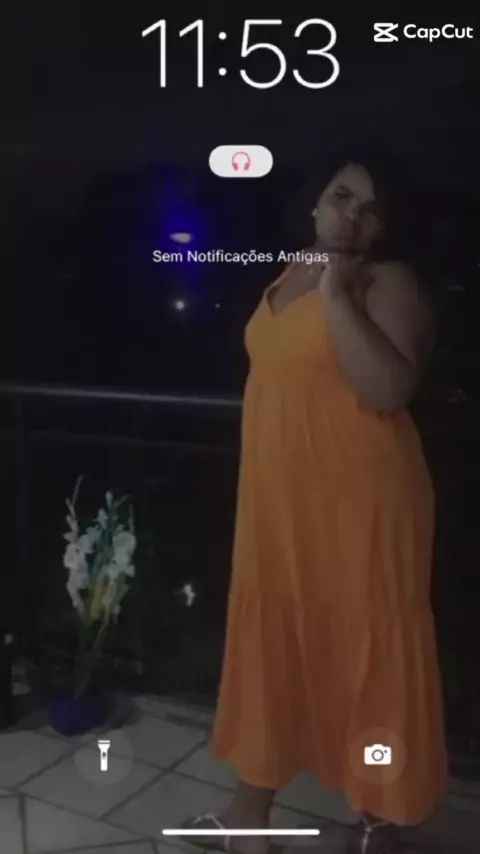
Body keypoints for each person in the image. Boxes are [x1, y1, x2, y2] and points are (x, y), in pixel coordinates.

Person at [184, 156, 447, 853]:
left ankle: (379, 825)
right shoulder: (288, 270)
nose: (351, 215)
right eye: (341, 196)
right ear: (314, 203)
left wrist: (336, 295)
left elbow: (387, 389)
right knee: (273, 648)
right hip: (278, 501)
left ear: (385, 226)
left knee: (370, 662)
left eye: (370, 207)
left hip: (362, 504)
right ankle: (247, 821)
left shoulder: (389, 281)